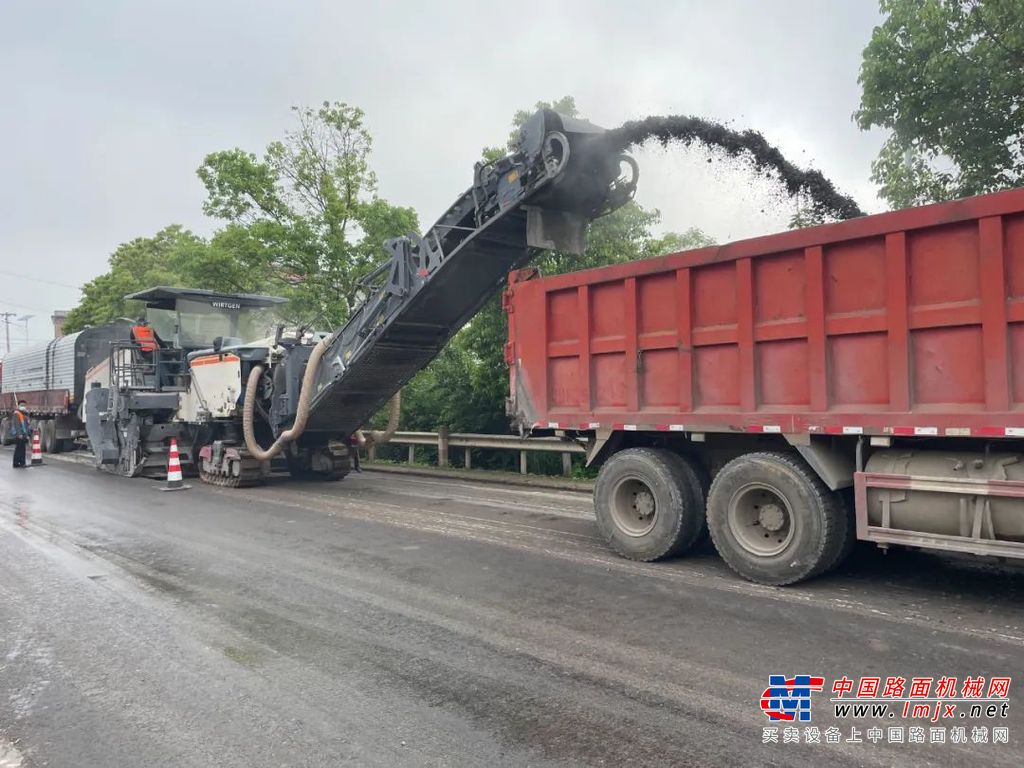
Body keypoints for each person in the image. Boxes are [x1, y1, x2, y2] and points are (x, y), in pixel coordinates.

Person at [10, 400, 31, 469]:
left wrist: (27, 434)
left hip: (23, 434)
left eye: (24, 405)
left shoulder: (24, 414)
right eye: (22, 405)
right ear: (18, 406)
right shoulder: (17, 414)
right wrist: (19, 434)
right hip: (18, 435)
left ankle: (22, 463)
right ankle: (16, 463)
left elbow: (26, 425)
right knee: (19, 449)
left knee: (22, 449)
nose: (23, 407)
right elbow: (17, 425)